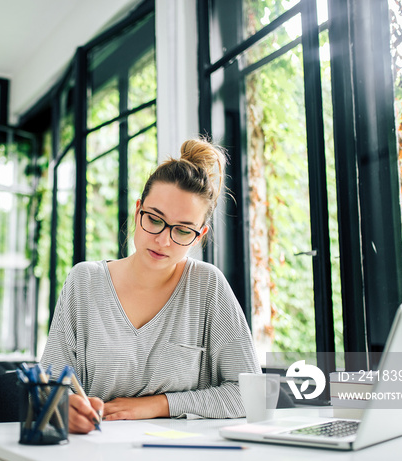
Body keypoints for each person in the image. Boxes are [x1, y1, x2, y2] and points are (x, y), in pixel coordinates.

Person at [40, 137, 261, 434]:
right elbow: (48, 384)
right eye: (155, 220)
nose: (164, 240)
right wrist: (61, 406)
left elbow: (251, 395)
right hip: (95, 451)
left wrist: (158, 405)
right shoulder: (84, 282)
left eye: (183, 230)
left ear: (199, 235)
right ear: (137, 211)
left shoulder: (207, 286)